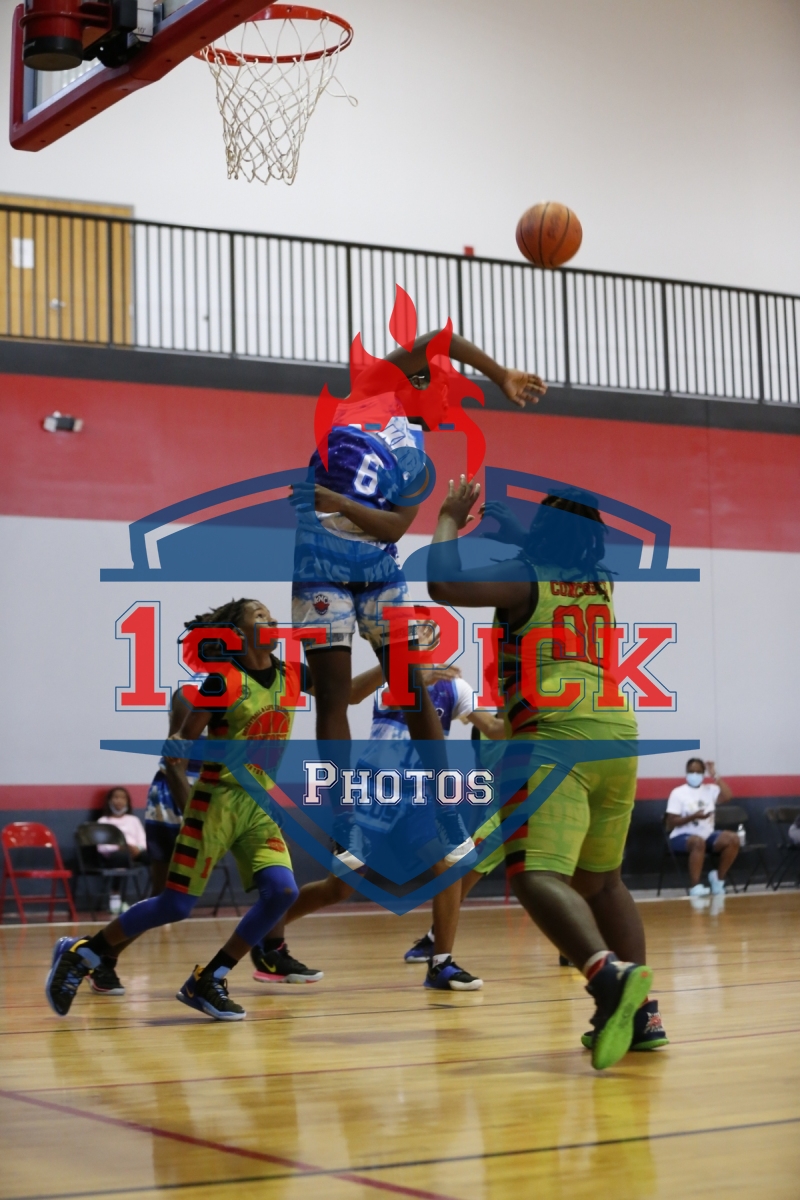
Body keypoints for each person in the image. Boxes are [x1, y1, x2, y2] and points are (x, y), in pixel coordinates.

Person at [426, 477, 666, 1070]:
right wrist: (520, 533)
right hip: (617, 732)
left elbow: (443, 582)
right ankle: (643, 1015)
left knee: (533, 875)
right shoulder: (601, 583)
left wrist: (449, 517)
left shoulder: (523, 577)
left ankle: (607, 978)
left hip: (555, 733)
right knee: (603, 884)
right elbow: (555, 559)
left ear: (543, 531)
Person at [46, 598, 359, 1022]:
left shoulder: (291, 674)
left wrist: (398, 666)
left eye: (270, 613)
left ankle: (209, 978)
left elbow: (346, 695)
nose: (270, 619)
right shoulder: (221, 681)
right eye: (260, 615)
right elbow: (177, 749)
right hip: (216, 801)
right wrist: (190, 801)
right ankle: (84, 952)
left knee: (283, 892)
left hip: (257, 805)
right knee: (175, 905)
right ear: (239, 632)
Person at [253, 663, 504, 990]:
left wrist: (531, 719)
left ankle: (441, 963)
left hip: (419, 796)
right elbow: (383, 698)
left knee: (450, 867)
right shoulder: (391, 675)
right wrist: (414, 677)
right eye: (415, 636)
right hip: (373, 792)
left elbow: (492, 728)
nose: (422, 638)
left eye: (427, 635)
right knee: (339, 888)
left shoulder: (454, 687)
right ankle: (263, 928)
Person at [144, 689, 204, 896]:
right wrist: (194, 818)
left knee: (276, 879)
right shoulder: (191, 693)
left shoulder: (249, 691)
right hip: (176, 790)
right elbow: (175, 763)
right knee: (167, 891)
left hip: (219, 790)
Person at [666, 758, 737, 896]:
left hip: (707, 835)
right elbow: (671, 822)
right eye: (691, 771)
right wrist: (693, 817)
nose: (694, 775)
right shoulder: (678, 792)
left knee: (733, 839)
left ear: (703, 774)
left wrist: (714, 774)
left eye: (698, 772)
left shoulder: (710, 789)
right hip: (682, 837)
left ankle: (718, 879)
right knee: (698, 842)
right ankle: (695, 886)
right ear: (686, 773)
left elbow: (728, 796)